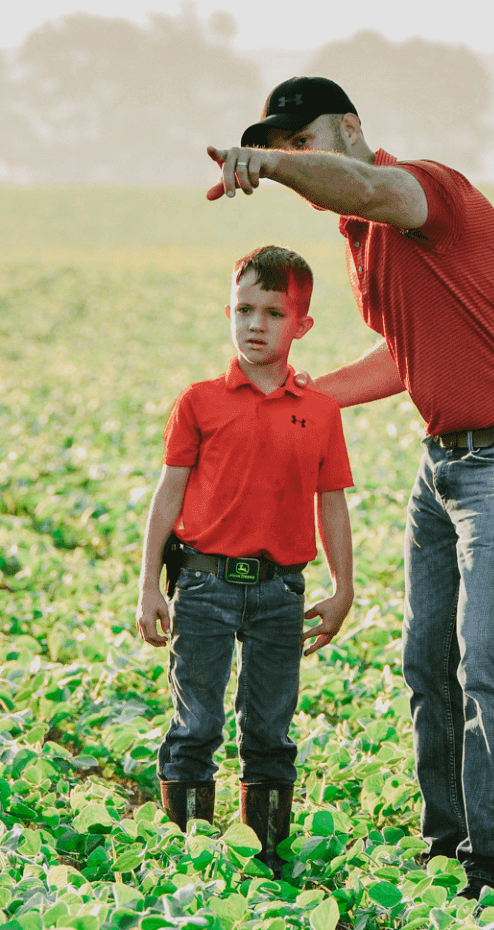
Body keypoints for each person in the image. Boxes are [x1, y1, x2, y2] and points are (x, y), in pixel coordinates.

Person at [204, 76, 494, 901]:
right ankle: (447, 842)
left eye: (301, 143)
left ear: (348, 128)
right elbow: (403, 354)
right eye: (281, 146)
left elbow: (373, 186)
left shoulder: (421, 189)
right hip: (445, 462)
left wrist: (264, 166)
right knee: (428, 660)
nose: (293, 158)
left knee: (487, 657)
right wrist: (306, 396)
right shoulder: (358, 237)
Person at [135, 244, 356, 880]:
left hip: (279, 593)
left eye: (273, 313)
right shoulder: (200, 401)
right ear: (228, 314)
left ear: (301, 325)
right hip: (202, 584)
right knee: (196, 722)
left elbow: (332, 502)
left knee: (268, 731)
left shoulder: (319, 411)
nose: (255, 324)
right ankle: (189, 860)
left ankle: (263, 860)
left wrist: (342, 588)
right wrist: (149, 584)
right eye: (243, 310)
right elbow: (167, 494)